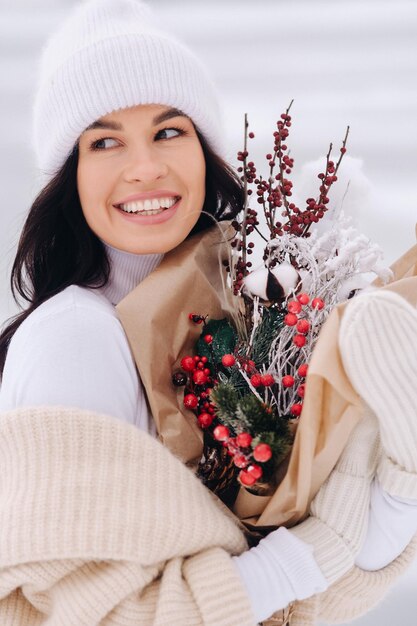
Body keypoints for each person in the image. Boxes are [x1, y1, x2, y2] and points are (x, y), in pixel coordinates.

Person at [0, 1, 416, 624]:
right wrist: (319, 545)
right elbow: (101, 614)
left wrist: (370, 496)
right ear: (70, 176)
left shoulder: (234, 313)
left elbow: (294, 608)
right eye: (106, 141)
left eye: (169, 131)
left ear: (204, 152)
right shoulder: (74, 338)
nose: (146, 167)